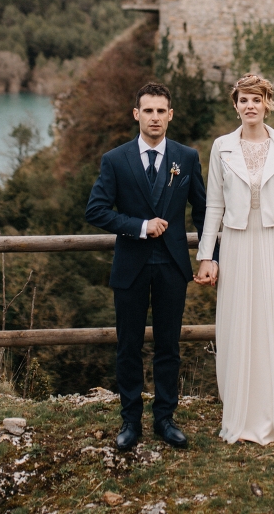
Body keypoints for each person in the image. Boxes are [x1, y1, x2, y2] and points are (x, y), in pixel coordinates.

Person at [84, 81, 207, 451]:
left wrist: (209, 255)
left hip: (172, 265)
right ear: (137, 114)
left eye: (161, 111)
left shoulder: (186, 158)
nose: (155, 117)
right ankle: (130, 420)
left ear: (170, 115)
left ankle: (165, 419)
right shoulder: (115, 159)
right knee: (129, 346)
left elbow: (203, 210)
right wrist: (139, 226)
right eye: (148, 111)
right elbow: (96, 210)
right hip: (131, 266)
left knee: (169, 346)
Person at [194, 73, 274, 445]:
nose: (250, 106)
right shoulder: (221, 147)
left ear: (267, 104)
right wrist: (206, 256)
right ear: (235, 105)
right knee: (239, 323)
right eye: (244, 100)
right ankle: (241, 416)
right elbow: (213, 204)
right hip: (238, 243)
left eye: (256, 100)